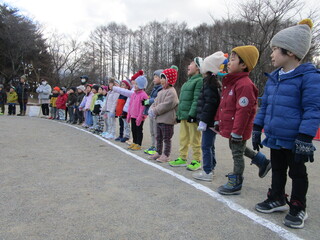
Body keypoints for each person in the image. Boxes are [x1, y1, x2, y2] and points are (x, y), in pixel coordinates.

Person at [253, 19, 320, 229]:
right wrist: (257, 128)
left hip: (295, 138)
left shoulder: (308, 77)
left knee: (297, 172)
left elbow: (313, 108)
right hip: (275, 135)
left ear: (290, 52)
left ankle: (298, 206)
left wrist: (305, 138)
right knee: (278, 169)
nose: (271, 54)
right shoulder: (274, 77)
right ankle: (277, 197)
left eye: (275, 50)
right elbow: (265, 105)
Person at [215, 45, 271, 195]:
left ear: (243, 65)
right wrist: (217, 120)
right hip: (233, 126)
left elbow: (244, 110)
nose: (228, 62)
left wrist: (238, 132)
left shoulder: (244, 85)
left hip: (238, 128)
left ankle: (236, 181)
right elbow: (224, 105)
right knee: (236, 149)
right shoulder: (232, 83)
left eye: (232, 59)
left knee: (237, 153)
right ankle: (262, 161)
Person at [192, 51, 227, 182]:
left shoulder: (210, 84)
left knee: (206, 146)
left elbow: (209, 104)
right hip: (211, 121)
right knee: (209, 145)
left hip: (209, 122)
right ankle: (211, 168)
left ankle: (207, 171)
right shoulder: (211, 82)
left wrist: (204, 121)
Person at [169, 57, 203, 171]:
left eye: (191, 64)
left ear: (198, 67)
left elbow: (196, 99)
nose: (188, 66)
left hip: (191, 116)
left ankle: (196, 160)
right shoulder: (188, 81)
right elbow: (182, 100)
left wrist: (192, 114)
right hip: (184, 115)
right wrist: (179, 114)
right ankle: (182, 158)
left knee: (195, 139)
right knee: (183, 138)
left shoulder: (199, 80)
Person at [148, 66, 179, 162]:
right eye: (161, 78)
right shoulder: (161, 91)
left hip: (167, 120)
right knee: (159, 137)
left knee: (166, 138)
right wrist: (151, 109)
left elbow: (166, 105)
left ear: (169, 80)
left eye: (163, 78)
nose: (161, 80)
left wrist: (155, 110)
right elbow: (155, 102)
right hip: (159, 119)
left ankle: (166, 154)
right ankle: (158, 151)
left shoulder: (172, 92)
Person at [112, 70, 144, 144]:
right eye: (132, 80)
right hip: (128, 111)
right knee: (131, 127)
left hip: (135, 112)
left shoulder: (137, 92)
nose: (132, 81)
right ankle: (133, 140)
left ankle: (133, 140)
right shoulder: (134, 89)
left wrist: (117, 88)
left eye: (133, 80)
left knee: (136, 128)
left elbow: (127, 93)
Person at [143, 69, 163, 155]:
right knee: (152, 131)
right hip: (151, 112)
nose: (154, 79)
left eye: (156, 77)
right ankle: (153, 145)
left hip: (156, 113)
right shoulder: (154, 88)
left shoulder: (161, 89)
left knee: (156, 131)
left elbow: (157, 99)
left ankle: (157, 147)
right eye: (154, 77)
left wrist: (149, 101)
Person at [127, 75, 149, 150]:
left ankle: (138, 144)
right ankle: (134, 142)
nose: (135, 86)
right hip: (133, 115)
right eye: (135, 84)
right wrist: (129, 115)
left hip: (139, 116)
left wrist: (140, 116)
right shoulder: (133, 94)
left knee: (139, 129)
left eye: (136, 84)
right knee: (133, 129)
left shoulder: (144, 95)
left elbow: (143, 107)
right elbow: (130, 105)